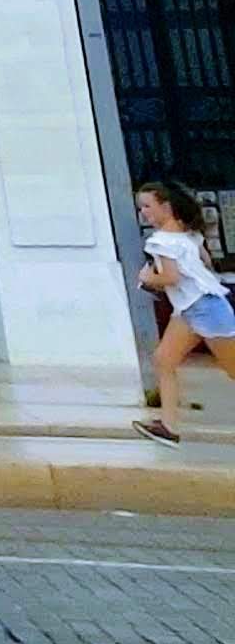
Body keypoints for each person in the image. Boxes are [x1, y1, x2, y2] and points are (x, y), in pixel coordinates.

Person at [137, 178, 235, 445]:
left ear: (165, 207)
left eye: (147, 206)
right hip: (194, 308)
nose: (143, 212)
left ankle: (168, 426)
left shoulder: (159, 242)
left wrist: (147, 279)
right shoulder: (189, 234)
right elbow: (204, 261)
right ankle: (168, 427)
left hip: (204, 309)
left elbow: (171, 277)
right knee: (163, 360)